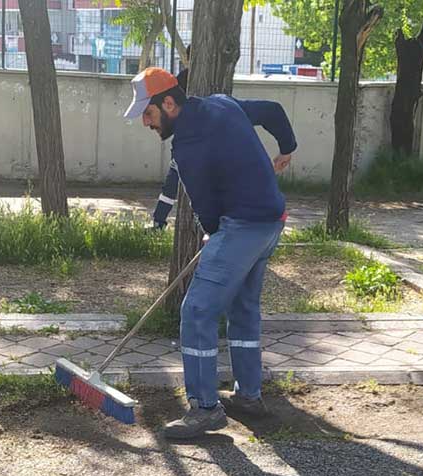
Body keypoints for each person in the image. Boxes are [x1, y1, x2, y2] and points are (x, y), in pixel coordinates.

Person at [124, 67, 297, 440]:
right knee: (243, 307)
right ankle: (249, 396)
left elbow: (205, 206)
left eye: (149, 113)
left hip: (242, 225)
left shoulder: (186, 146)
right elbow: (272, 111)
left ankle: (204, 408)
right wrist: (287, 148)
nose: (145, 123)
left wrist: (215, 236)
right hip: (272, 221)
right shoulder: (223, 104)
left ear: (169, 103)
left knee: (198, 310)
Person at [150, 67, 187, 229]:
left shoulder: (182, 78)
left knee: (172, 182)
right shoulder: (183, 78)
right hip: (184, 138)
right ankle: (159, 221)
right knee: (172, 181)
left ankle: (159, 221)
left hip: (184, 138)